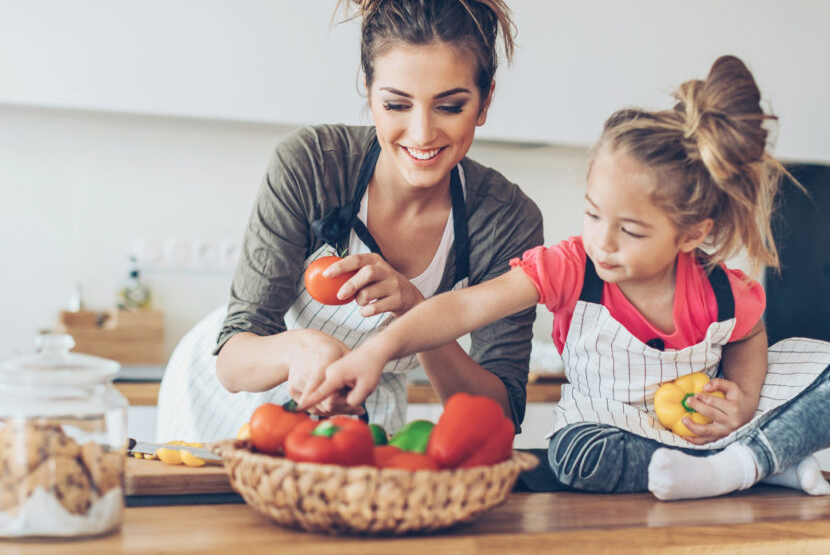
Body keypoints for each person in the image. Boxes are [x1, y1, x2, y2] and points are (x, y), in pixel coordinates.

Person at [300, 55, 830, 500]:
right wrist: (375, 350)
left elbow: (750, 331)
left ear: (692, 233)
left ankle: (736, 464)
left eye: (631, 230)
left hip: (702, 432)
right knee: (574, 458)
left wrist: (741, 392)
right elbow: (462, 309)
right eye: (594, 214)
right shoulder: (572, 266)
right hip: (612, 432)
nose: (603, 241)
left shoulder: (720, 288)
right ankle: (758, 464)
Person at [156, 0, 543, 441]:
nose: (422, 134)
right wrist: (303, 346)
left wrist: (419, 314)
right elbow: (234, 357)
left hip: (357, 417)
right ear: (368, 91)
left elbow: (500, 415)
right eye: (396, 104)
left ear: (486, 100)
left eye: (450, 106)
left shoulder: (506, 219)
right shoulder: (314, 163)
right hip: (224, 405)